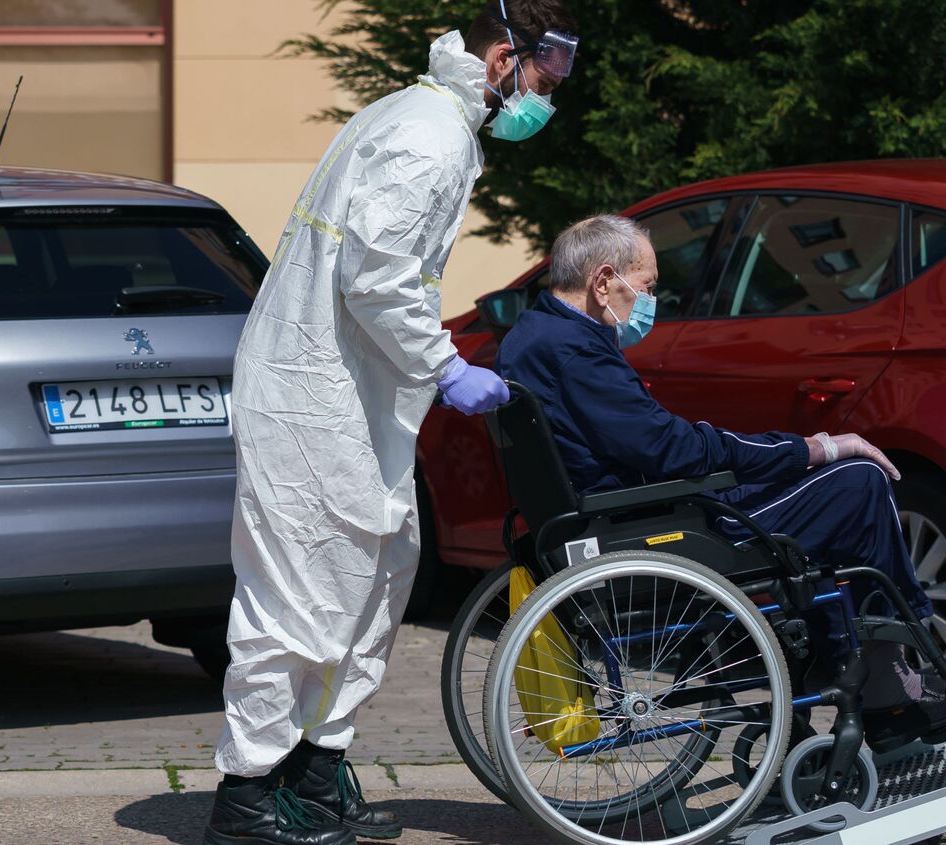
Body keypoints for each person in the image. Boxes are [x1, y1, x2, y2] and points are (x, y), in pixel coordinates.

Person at [208, 3, 578, 843]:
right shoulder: (428, 136)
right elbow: (375, 277)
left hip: (347, 394)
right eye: (541, 84)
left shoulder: (428, 121)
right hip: (311, 394)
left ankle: (313, 764)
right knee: (298, 590)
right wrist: (444, 365)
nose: (542, 105)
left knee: (373, 577)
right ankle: (245, 797)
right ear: (499, 62)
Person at [496, 214, 946, 753]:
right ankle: (887, 687)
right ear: (603, 282)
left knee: (825, 493)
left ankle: (849, 662)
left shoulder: (532, 336)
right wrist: (809, 447)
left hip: (616, 515)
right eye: (645, 286)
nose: (650, 301)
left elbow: (653, 442)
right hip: (650, 524)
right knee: (857, 480)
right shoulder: (577, 350)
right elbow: (671, 448)